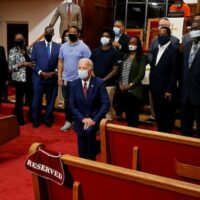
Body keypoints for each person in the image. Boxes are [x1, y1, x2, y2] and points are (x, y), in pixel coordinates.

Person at [69, 58, 110, 160]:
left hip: (95, 118)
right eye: (79, 68)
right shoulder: (73, 84)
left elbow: (105, 104)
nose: (81, 70)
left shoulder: (99, 83)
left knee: (90, 149)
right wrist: (83, 119)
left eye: (84, 68)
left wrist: (94, 120)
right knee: (82, 152)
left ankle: (92, 161)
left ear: (90, 70)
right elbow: (72, 106)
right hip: (80, 119)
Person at [58, 26, 91, 131]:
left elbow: (89, 63)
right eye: (69, 33)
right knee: (67, 102)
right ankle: (68, 121)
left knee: (79, 102)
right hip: (65, 79)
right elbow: (60, 61)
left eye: (73, 33)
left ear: (78, 34)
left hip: (78, 80)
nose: (71, 34)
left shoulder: (84, 47)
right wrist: (59, 76)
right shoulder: (63, 46)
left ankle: (79, 122)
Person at [149, 27, 179, 133]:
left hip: (166, 90)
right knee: (159, 115)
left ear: (169, 36)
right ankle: (160, 134)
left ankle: (167, 136)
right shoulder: (156, 49)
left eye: (163, 35)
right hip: (155, 88)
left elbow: (174, 72)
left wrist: (169, 90)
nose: (161, 37)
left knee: (167, 116)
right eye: (159, 35)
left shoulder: (174, 50)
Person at [31, 26, 60, 128]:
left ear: (53, 34)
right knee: (36, 100)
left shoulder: (58, 46)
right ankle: (36, 120)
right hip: (38, 78)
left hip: (52, 78)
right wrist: (40, 72)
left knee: (51, 100)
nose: (48, 34)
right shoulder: (36, 45)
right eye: (46, 32)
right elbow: (33, 62)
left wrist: (55, 72)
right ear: (44, 33)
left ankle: (47, 119)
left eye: (50, 32)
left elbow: (60, 62)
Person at [90, 27, 121, 121]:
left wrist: (102, 80)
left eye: (107, 36)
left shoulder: (115, 52)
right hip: (95, 84)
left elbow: (115, 70)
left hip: (108, 85)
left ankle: (107, 129)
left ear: (111, 39)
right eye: (103, 36)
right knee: (95, 106)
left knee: (107, 107)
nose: (104, 38)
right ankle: (97, 126)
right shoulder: (95, 51)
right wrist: (95, 78)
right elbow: (90, 65)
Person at [118, 36, 146, 127]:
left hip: (134, 91)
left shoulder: (141, 57)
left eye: (134, 43)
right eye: (130, 43)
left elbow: (140, 75)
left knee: (133, 115)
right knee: (128, 114)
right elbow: (121, 71)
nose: (132, 45)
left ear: (138, 45)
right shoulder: (126, 56)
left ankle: (134, 132)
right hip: (124, 90)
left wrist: (130, 85)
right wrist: (120, 84)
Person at [181, 21, 200, 138]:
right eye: (192, 29)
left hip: (199, 93)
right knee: (185, 129)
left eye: (197, 28)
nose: (193, 31)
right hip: (186, 93)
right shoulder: (187, 45)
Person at [9, 33, 33, 125]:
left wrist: (31, 64)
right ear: (15, 41)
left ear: (24, 40)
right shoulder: (12, 51)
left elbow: (33, 60)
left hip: (30, 78)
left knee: (31, 99)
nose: (19, 41)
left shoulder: (28, 49)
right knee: (19, 101)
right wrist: (22, 64)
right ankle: (19, 120)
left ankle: (31, 117)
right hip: (20, 80)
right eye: (17, 39)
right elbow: (11, 67)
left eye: (21, 39)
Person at [58, 29, 69, 108]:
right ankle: (61, 101)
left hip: (70, 71)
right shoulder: (60, 46)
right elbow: (59, 60)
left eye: (69, 35)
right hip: (62, 70)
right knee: (61, 86)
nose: (67, 37)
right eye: (66, 35)